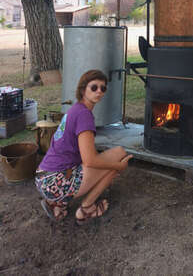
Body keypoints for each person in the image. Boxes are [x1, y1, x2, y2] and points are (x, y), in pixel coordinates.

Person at [35, 69, 132, 224]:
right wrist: (118, 166)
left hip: (43, 177)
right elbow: (90, 161)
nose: (99, 91)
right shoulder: (84, 115)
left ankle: (57, 203)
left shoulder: (74, 110)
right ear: (83, 89)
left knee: (107, 162)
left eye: (103, 88)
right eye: (94, 87)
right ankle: (86, 208)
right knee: (119, 155)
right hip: (55, 181)